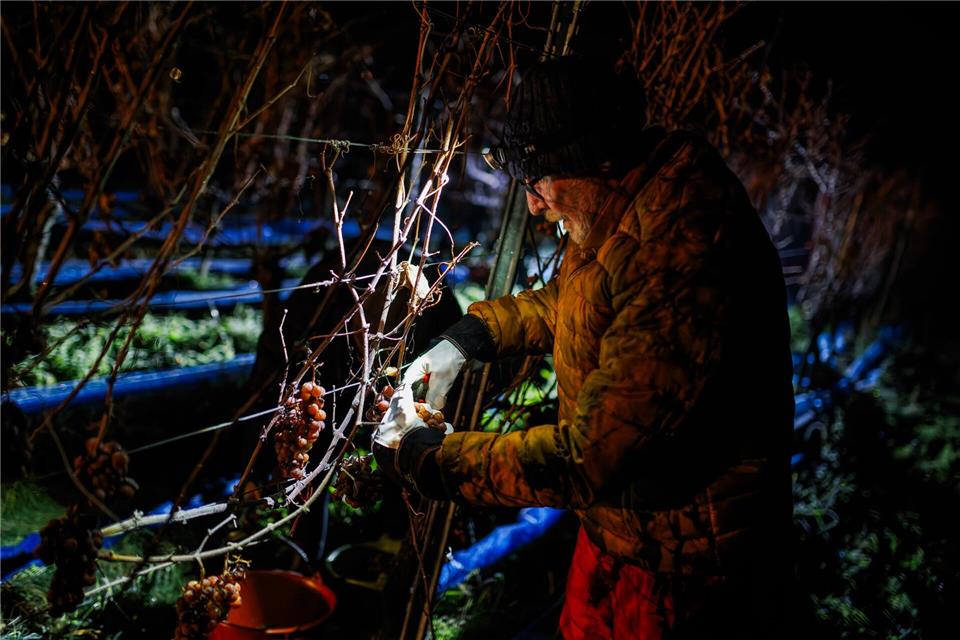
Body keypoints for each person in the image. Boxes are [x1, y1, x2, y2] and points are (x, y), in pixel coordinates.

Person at [373, 56, 796, 639]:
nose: (534, 205)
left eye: (542, 181)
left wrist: (428, 458)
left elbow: (587, 456)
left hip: (683, 564)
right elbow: (573, 302)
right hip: (619, 529)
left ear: (596, 160)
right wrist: (470, 337)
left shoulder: (683, 257)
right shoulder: (627, 207)